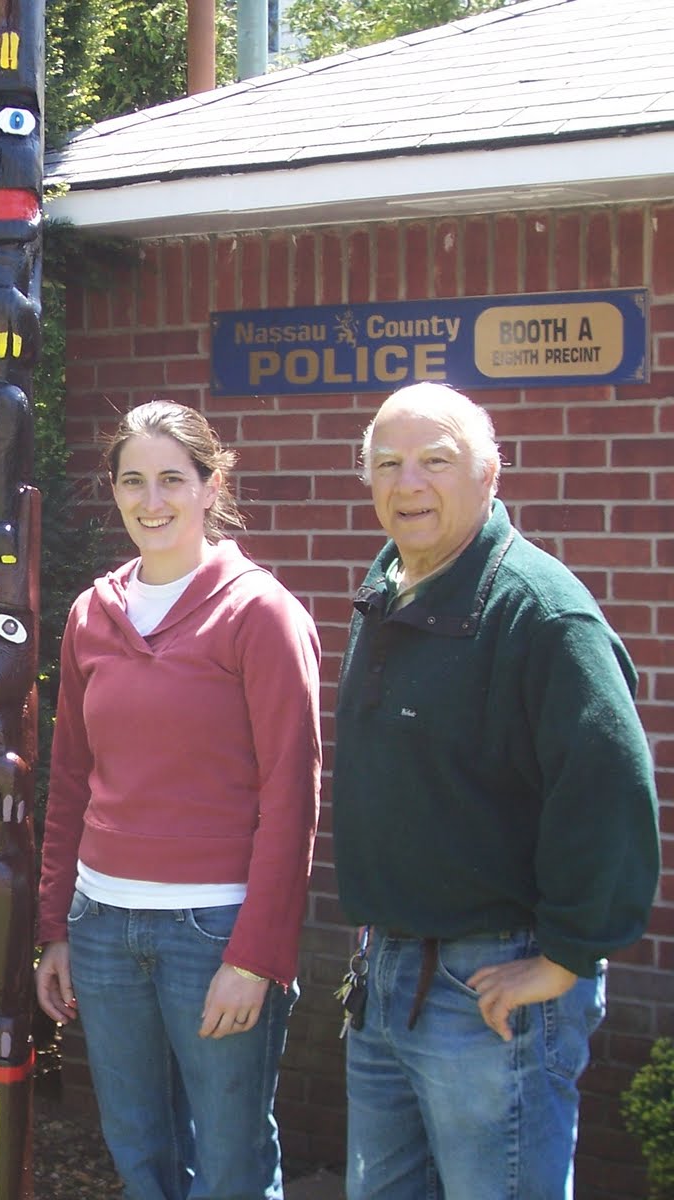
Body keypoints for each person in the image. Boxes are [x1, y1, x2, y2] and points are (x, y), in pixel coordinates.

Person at [333, 381, 660, 1199]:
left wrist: (567, 957)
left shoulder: (543, 616)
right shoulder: (387, 591)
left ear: (490, 474)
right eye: (388, 464)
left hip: (490, 991)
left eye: (435, 461)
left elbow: (610, 789)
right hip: (386, 982)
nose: (409, 484)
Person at [34, 400, 322, 1200]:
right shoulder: (91, 614)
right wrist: (55, 926)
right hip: (102, 929)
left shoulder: (258, 613)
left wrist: (257, 958)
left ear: (211, 484)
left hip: (215, 930)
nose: (150, 501)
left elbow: (291, 800)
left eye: (171, 479)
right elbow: (69, 781)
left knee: (229, 1164)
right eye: (133, 481)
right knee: (138, 1151)